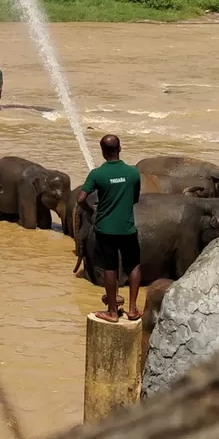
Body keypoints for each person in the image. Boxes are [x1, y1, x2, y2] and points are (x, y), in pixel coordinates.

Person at [77, 133, 142, 322]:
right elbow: (135, 199)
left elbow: (81, 199)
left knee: (109, 268)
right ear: (119, 149)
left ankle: (112, 312)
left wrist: (90, 211)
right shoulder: (132, 173)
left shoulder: (97, 174)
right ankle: (132, 309)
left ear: (103, 152)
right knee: (134, 265)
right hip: (127, 228)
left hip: (105, 229)